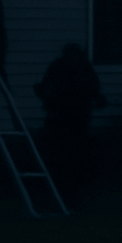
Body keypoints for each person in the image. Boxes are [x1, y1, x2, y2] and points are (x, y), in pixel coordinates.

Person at [34, 43, 107, 188]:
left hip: (61, 115)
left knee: (60, 150)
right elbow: (94, 90)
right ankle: (73, 181)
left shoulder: (58, 67)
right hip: (76, 115)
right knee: (75, 149)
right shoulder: (84, 68)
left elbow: (46, 88)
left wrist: (43, 94)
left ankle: (60, 181)